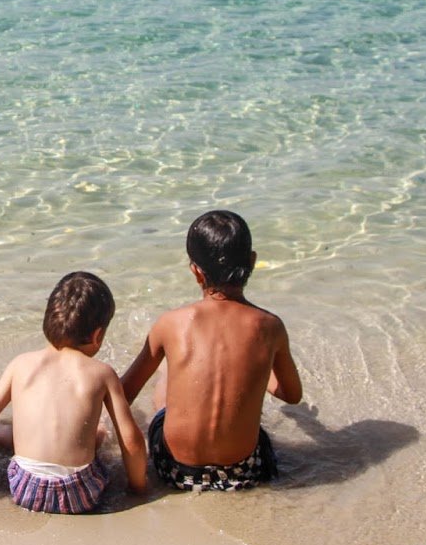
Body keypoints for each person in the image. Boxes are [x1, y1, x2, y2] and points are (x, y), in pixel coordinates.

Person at [120, 210, 303, 491]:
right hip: (244, 472)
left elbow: (125, 394)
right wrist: (258, 373)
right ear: (252, 261)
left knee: (167, 378)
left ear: (196, 271)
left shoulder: (171, 324)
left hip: (176, 471)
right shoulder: (270, 327)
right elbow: (292, 395)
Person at [0, 272, 147, 513]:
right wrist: (138, 488)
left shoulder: (21, 364)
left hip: (25, 488)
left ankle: (2, 437)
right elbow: (131, 442)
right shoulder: (102, 373)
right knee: (98, 431)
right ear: (97, 335)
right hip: (80, 493)